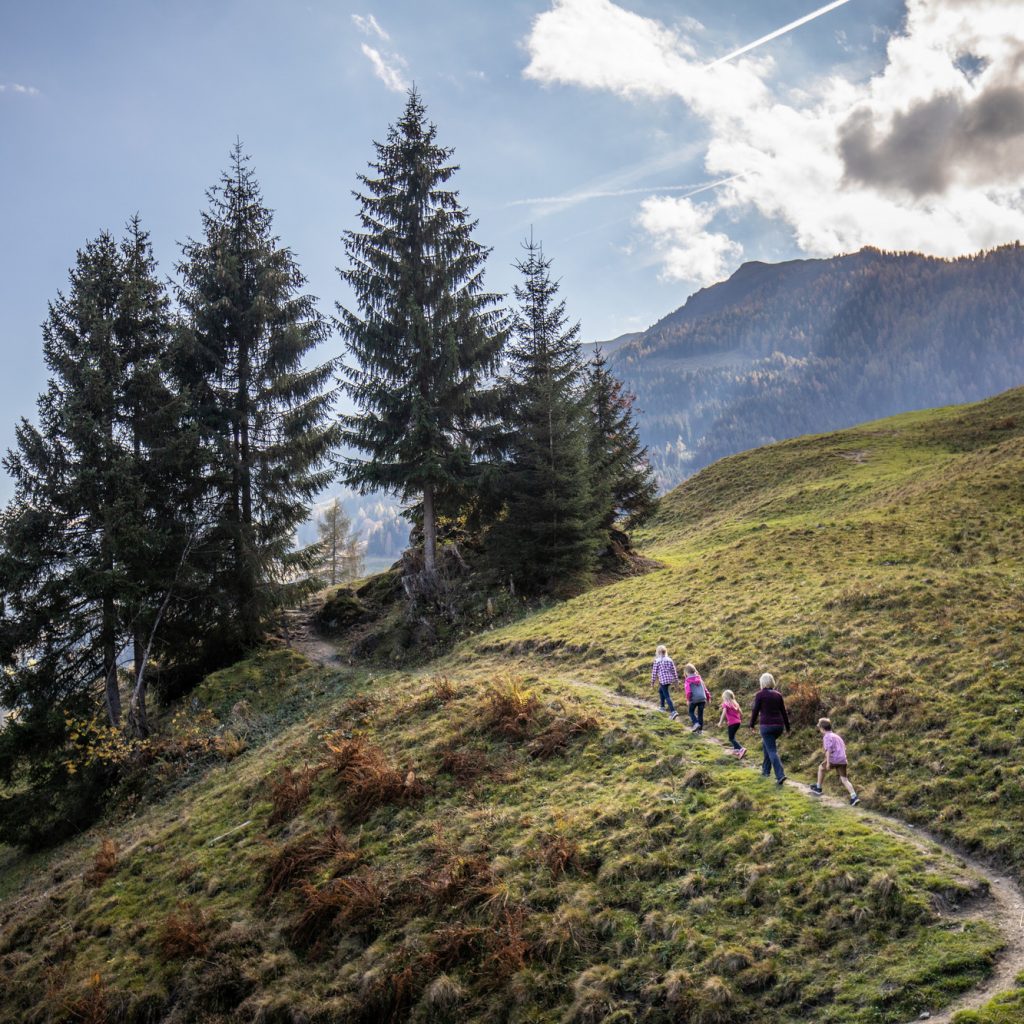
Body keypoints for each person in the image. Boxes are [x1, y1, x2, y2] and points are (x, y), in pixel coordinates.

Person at [749, 673, 790, 785]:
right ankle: (765, 771)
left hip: (766, 726)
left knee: (772, 750)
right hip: (779, 726)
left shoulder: (760, 695)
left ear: (762, 682)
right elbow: (784, 712)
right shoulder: (778, 695)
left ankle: (780, 775)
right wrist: (787, 727)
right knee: (767, 745)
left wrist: (751, 724)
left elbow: (755, 711)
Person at [809, 718, 860, 805]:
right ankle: (854, 796)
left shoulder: (827, 737)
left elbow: (828, 750)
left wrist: (828, 763)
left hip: (834, 759)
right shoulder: (837, 736)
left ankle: (818, 788)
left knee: (821, 768)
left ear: (822, 728)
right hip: (843, 760)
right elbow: (844, 748)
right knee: (844, 779)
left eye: (819, 727)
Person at [650, 645, 679, 720]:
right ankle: (662, 707)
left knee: (667, 695)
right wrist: (676, 682)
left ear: (658, 652)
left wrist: (652, 682)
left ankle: (673, 711)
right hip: (670, 679)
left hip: (663, 680)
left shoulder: (657, 661)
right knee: (660, 691)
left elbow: (654, 672)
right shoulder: (669, 660)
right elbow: (674, 671)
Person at [717, 689, 746, 758]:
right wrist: (739, 718)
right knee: (733, 737)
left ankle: (741, 749)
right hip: (738, 722)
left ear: (725, 697)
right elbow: (741, 713)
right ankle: (736, 750)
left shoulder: (726, 704)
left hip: (732, 723)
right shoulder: (735, 703)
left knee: (731, 738)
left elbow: (724, 713)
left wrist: (720, 722)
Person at [683, 664, 710, 733]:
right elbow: (705, 689)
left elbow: (688, 692)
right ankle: (700, 731)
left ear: (686, 672)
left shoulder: (687, 680)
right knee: (700, 714)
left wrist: (688, 700)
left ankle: (696, 723)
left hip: (694, 699)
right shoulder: (699, 678)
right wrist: (708, 697)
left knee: (691, 711)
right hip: (702, 698)